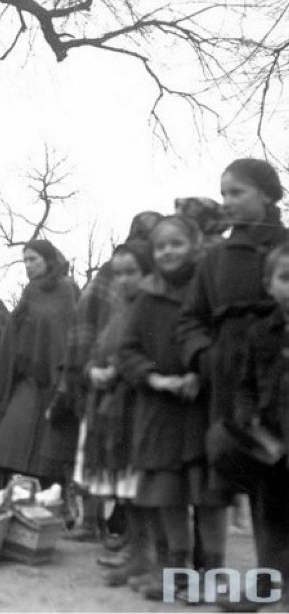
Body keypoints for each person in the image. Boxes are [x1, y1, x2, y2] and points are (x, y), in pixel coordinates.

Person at [178, 159, 287, 609]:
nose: (228, 202)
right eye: (223, 194)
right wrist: (206, 356)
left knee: (277, 485)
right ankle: (232, 580)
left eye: (237, 192)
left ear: (268, 195)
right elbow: (189, 320)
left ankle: (275, 586)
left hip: (280, 382)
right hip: (227, 384)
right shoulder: (215, 257)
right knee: (232, 483)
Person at [119, 216, 229, 603]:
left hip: (205, 405)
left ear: (196, 246)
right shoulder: (147, 297)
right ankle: (176, 573)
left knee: (209, 493)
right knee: (168, 493)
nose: (167, 252)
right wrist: (156, 379)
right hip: (160, 409)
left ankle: (215, 573)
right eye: (161, 246)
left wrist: (203, 371)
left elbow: (225, 340)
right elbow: (127, 350)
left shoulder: (213, 289)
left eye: (176, 244)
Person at [77, 243, 154, 585]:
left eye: (131, 272)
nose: (123, 280)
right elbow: (100, 350)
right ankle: (136, 555)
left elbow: (151, 351)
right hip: (112, 407)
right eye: (118, 273)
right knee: (125, 489)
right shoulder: (118, 309)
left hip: (140, 407)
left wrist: (120, 370)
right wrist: (93, 370)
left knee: (142, 488)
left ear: (148, 272)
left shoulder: (154, 307)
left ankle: (152, 557)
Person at [0, 240, 78, 490]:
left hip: (52, 381)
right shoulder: (30, 291)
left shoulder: (66, 289)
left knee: (46, 459)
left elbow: (63, 333)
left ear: (48, 260)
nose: (28, 265)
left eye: (33, 259)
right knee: (5, 450)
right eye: (25, 260)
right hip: (24, 379)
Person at [232, 243, 289, 612]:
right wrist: (251, 422)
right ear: (269, 285)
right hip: (273, 438)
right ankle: (267, 582)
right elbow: (246, 385)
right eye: (286, 278)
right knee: (270, 513)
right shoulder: (261, 333)